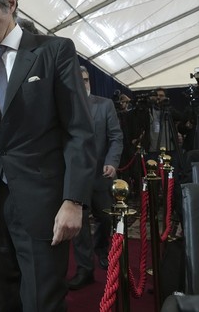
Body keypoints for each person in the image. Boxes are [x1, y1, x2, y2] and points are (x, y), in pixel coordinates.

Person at [0, 0, 96, 312]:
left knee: (43, 302)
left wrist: (73, 199)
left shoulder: (55, 51)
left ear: (11, 4)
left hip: (44, 205)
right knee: (2, 302)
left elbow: (79, 130)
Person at [68, 66, 123, 290]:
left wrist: (112, 161)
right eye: (79, 80)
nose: (84, 83)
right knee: (78, 227)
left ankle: (102, 250)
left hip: (101, 177)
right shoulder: (65, 107)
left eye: (86, 79)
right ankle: (84, 269)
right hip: (74, 179)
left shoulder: (105, 105)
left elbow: (116, 137)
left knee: (106, 218)